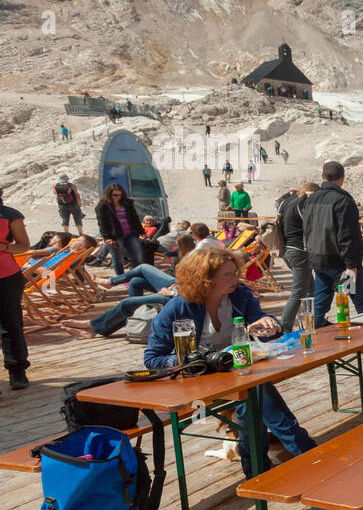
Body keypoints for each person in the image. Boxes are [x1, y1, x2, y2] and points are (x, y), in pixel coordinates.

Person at [143, 247, 316, 477]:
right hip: (198, 379)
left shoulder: (239, 295)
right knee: (254, 392)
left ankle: (259, 472)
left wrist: (267, 324)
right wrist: (198, 358)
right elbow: (152, 359)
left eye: (236, 272)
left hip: (235, 373)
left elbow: (265, 327)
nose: (236, 278)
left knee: (251, 392)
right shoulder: (178, 308)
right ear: (205, 279)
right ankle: (308, 456)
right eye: (228, 275)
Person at [66, 236, 195, 338]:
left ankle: (93, 327)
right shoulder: (195, 261)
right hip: (178, 289)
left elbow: (196, 292)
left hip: (179, 298)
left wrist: (171, 292)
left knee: (128, 299)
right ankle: (134, 320)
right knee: (136, 282)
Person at [301, 162, 363, 323]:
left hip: (319, 260)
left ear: (322, 177)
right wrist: (352, 265)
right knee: (360, 300)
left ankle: (316, 333)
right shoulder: (343, 200)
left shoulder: (311, 199)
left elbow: (307, 229)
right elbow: (348, 235)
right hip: (341, 264)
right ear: (342, 178)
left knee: (320, 304)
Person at [0, 198, 31, 390]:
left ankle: (17, 371)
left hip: (6, 275)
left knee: (11, 324)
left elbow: (23, 245)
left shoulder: (10, 214)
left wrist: (4, 247)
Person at [277, 181, 317, 327]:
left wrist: (289, 193)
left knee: (310, 289)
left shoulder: (287, 201)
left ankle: (308, 323)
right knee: (298, 292)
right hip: (299, 252)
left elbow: (278, 202)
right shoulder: (302, 203)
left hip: (288, 251)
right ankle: (285, 328)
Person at [94, 183, 146, 276]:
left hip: (130, 234)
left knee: (138, 257)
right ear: (109, 194)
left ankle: (135, 277)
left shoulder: (127, 203)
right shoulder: (102, 206)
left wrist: (141, 231)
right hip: (115, 236)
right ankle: (122, 279)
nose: (117, 197)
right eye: (115, 195)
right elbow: (102, 224)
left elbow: (135, 218)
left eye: (120, 195)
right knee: (117, 259)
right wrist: (107, 238)